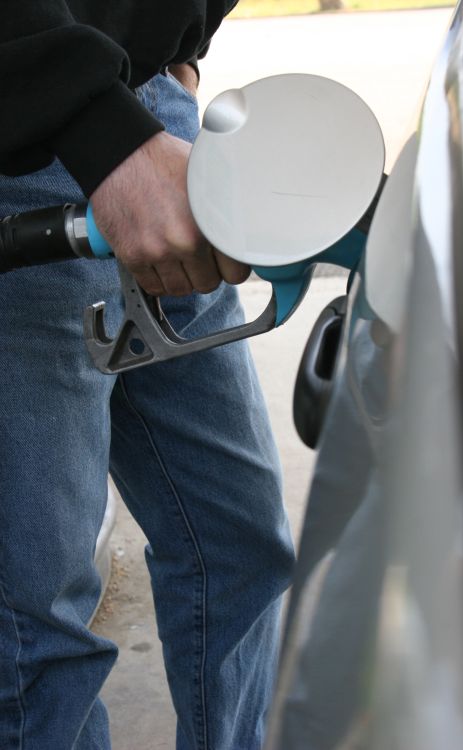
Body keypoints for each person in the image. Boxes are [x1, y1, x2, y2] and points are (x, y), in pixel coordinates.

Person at [0, 3, 295, 749]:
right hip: (26, 144)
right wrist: (100, 133)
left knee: (240, 545)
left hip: (159, 133)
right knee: (39, 633)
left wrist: (181, 63)